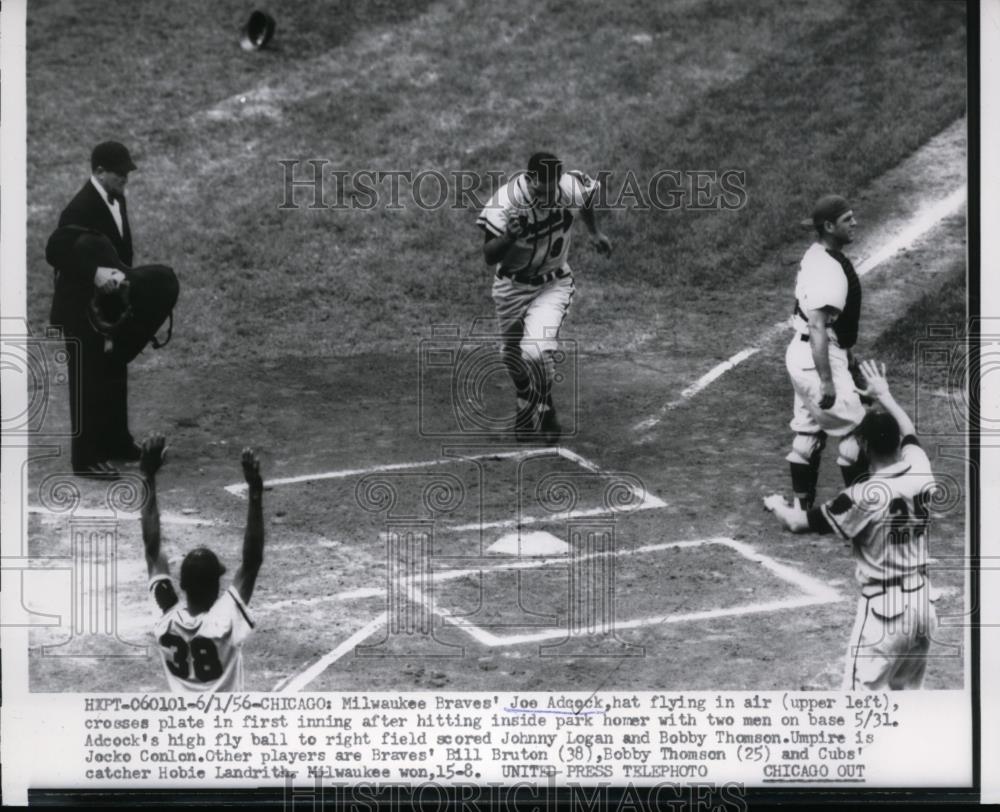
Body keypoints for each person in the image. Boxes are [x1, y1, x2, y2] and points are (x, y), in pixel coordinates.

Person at [764, 361, 938, 690]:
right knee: (908, 703)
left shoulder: (859, 498)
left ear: (866, 447)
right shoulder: (919, 469)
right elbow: (909, 430)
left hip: (884, 615)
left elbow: (797, 523)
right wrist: (884, 395)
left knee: (859, 709)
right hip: (924, 608)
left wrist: (776, 503)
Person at [477, 152, 611, 442]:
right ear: (529, 179)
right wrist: (509, 238)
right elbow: (489, 256)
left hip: (554, 284)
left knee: (536, 351)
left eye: (550, 191)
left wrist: (595, 232)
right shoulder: (506, 202)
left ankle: (546, 409)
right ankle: (528, 399)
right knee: (511, 356)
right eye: (539, 191)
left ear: (558, 182)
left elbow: (586, 199)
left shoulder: (569, 188)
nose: (546, 198)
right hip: (512, 287)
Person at [140, 436, 265, 693]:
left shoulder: (166, 619)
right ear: (216, 588)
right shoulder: (224, 622)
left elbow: (152, 553)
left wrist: (148, 477)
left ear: (182, 585)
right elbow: (251, 563)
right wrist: (254, 494)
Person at [50, 141, 139, 476]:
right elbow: (56, 250)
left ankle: (116, 441)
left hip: (108, 308)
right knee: (87, 380)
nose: (124, 179)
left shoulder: (118, 199)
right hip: (80, 310)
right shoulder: (80, 208)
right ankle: (86, 458)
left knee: (114, 372)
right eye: (118, 173)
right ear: (99, 171)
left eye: (126, 173)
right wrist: (94, 272)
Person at [784, 194, 868, 510]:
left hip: (803, 354)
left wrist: (847, 357)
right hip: (817, 357)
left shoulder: (817, 253)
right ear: (829, 226)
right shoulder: (830, 271)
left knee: (809, 431)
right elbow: (819, 326)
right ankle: (860, 514)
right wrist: (827, 380)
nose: (855, 223)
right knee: (858, 435)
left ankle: (801, 509)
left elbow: (825, 323)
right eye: (848, 219)